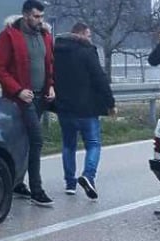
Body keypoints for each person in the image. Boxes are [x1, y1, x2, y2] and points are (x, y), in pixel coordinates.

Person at [0, 0, 55, 207]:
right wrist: (18, 90)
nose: (40, 20)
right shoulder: (9, 36)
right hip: (19, 98)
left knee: (23, 140)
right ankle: (37, 190)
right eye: (36, 16)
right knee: (37, 140)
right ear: (25, 15)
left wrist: (51, 85)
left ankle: (17, 182)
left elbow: (49, 64)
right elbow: (1, 69)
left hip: (40, 97)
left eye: (42, 16)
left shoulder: (45, 36)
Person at [53, 22, 116, 199]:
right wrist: (110, 102)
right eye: (88, 35)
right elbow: (99, 78)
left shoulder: (56, 51)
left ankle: (70, 183)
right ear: (81, 34)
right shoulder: (87, 51)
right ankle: (88, 176)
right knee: (93, 144)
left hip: (64, 107)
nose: (90, 38)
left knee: (68, 145)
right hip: (86, 108)